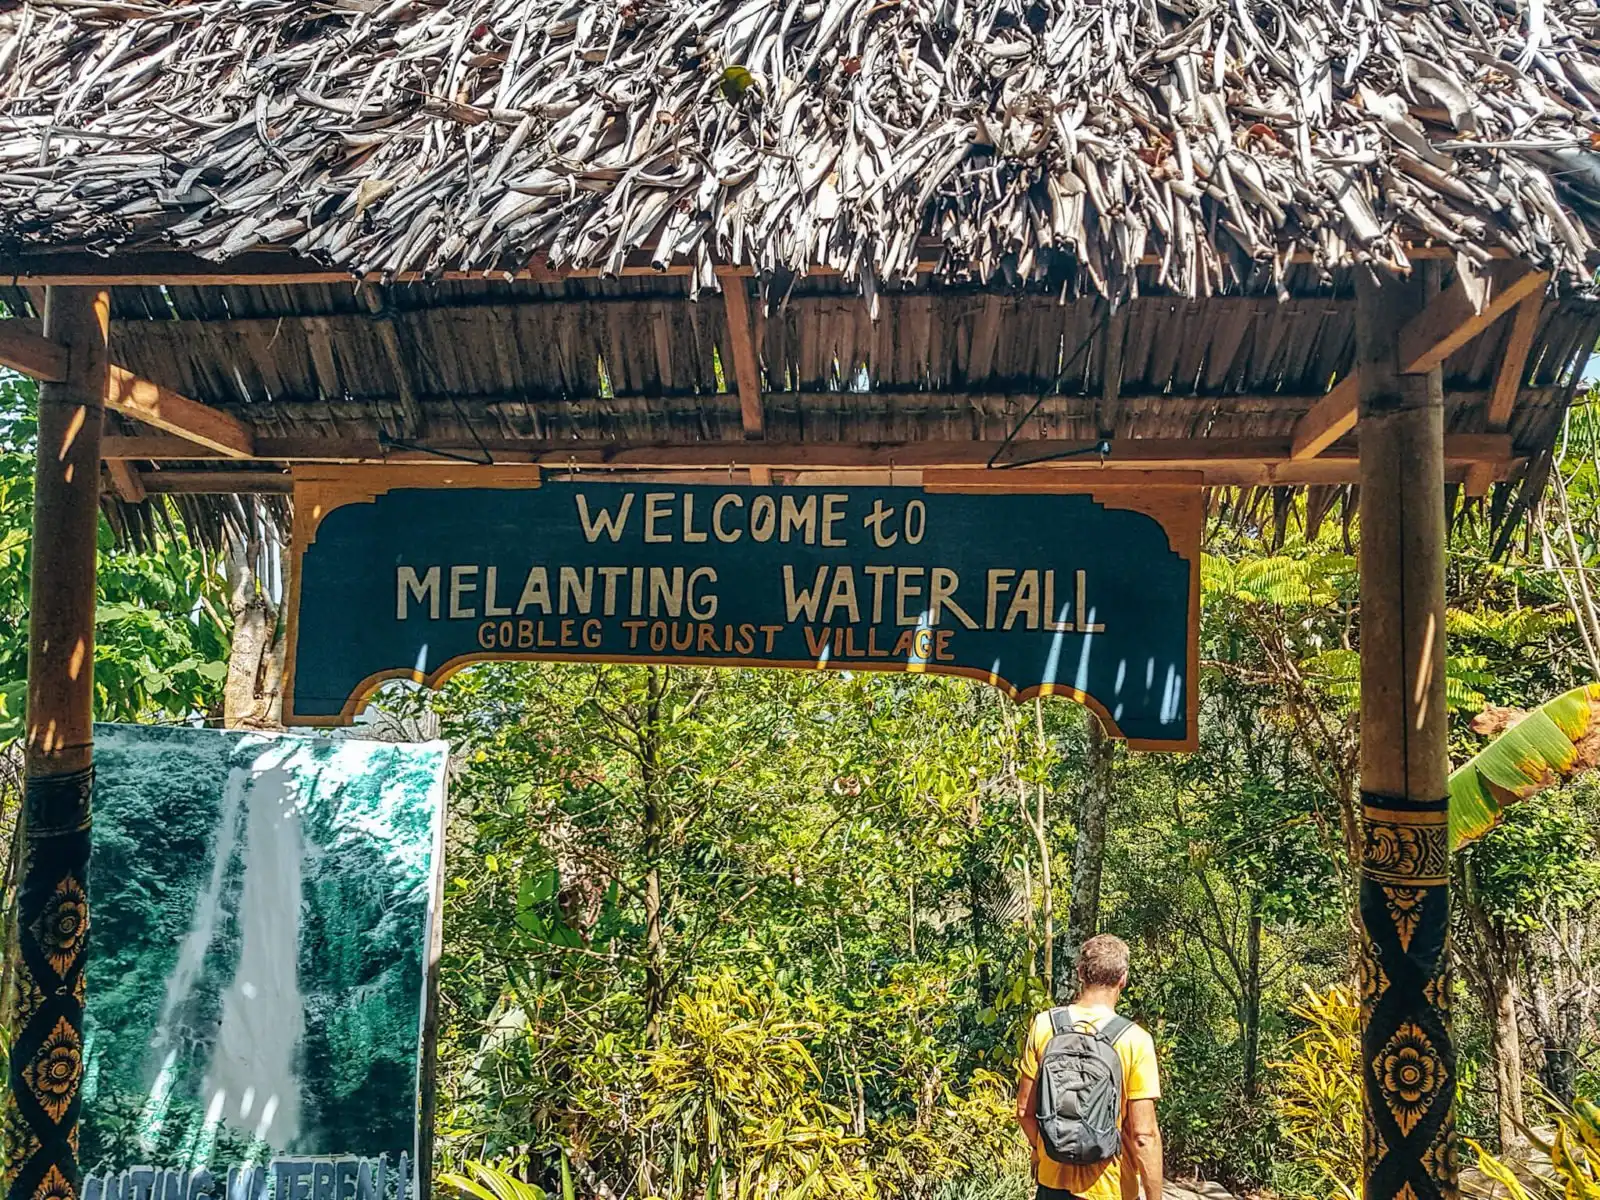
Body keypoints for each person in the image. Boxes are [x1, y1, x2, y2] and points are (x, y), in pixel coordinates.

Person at [1016, 934, 1163, 1200]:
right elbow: (1144, 1135)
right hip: (1110, 1188)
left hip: (1052, 1185)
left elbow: (1024, 1110)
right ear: (1123, 980)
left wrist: (1042, 1150)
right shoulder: (1135, 1040)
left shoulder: (1044, 1025)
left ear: (1080, 973)